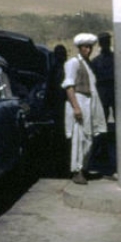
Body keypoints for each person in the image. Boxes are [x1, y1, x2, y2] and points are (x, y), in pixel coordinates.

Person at [62, 33, 107, 185]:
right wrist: (76, 107)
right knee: (79, 138)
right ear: (79, 48)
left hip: (90, 103)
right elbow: (69, 86)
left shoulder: (88, 64)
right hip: (79, 101)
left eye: (90, 47)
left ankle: (85, 167)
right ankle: (77, 170)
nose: (88, 50)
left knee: (89, 137)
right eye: (85, 47)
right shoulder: (73, 63)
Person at [89, 31, 117, 179]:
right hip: (102, 94)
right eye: (103, 41)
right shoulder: (96, 61)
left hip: (114, 92)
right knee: (101, 124)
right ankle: (101, 150)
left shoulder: (115, 59)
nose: (105, 43)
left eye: (106, 41)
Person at [45, 44, 70, 177]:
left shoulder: (60, 69)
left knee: (62, 138)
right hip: (59, 107)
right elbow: (50, 90)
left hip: (62, 106)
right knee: (60, 138)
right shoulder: (56, 70)